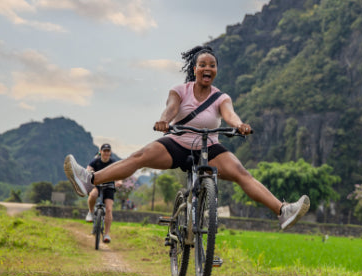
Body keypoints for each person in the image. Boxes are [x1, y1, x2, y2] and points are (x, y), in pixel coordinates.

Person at [63, 45, 309, 230]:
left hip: (210, 146)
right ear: (194, 69)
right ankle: (89, 179)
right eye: (203, 64)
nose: (208, 68)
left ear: (215, 71)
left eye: (212, 65)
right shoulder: (179, 90)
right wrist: (165, 121)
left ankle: (282, 210)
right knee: (140, 156)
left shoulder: (221, 97)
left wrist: (239, 125)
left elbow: (230, 116)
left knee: (241, 173)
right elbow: (171, 108)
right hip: (178, 143)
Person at [84, 143, 118, 243]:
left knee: (108, 209)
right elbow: (89, 169)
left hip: (109, 186)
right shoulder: (96, 161)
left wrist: (119, 181)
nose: (106, 153)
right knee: (93, 194)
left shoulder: (113, 162)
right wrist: (89, 172)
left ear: (110, 152)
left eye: (108, 151)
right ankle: (90, 213)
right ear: (101, 151)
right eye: (104, 151)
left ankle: (106, 234)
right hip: (97, 185)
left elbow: (119, 172)